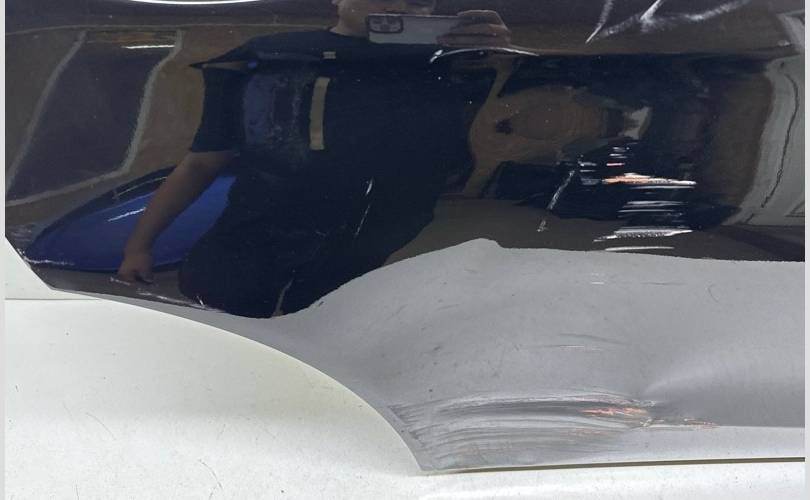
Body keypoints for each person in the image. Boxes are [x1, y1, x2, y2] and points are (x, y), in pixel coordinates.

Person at [118, 0, 512, 317]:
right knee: (227, 331)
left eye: (418, 2)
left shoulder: (450, 65)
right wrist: (139, 246)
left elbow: (465, 150)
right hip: (255, 233)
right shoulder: (269, 56)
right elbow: (203, 161)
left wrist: (495, 56)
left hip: (375, 242)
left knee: (331, 332)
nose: (398, 7)